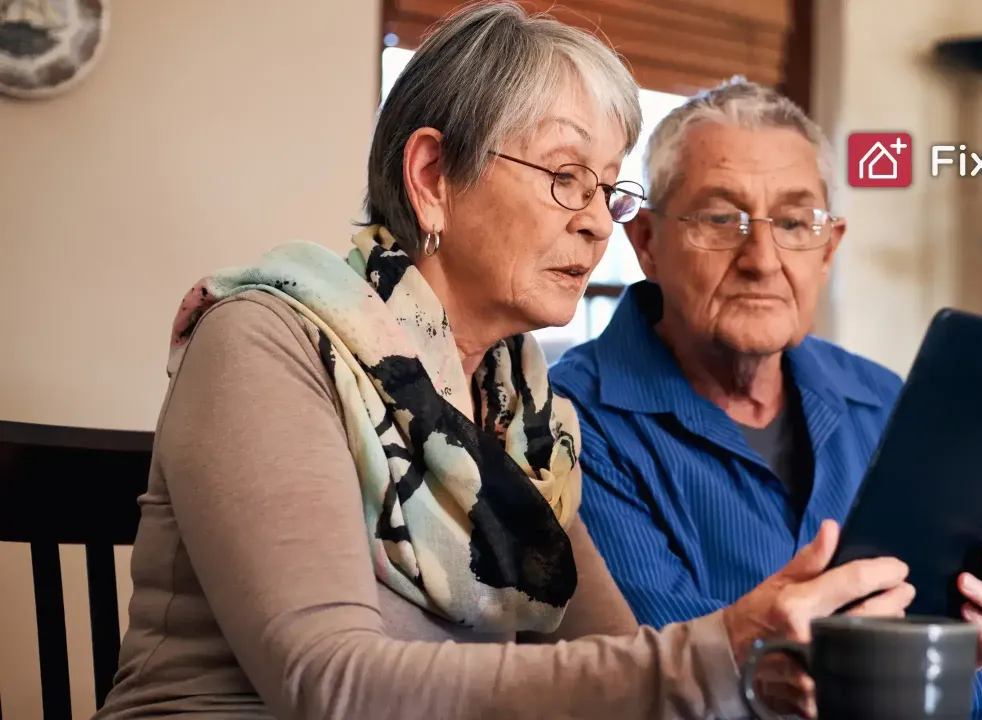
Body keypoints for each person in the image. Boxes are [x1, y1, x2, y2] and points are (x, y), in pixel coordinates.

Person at [90, 5, 926, 719]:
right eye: (566, 175)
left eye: (606, 188)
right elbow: (329, 685)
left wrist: (758, 672)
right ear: (432, 178)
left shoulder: (526, 417)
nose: (596, 223)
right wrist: (716, 651)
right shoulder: (268, 341)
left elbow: (621, 661)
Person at [550, 78, 982, 715]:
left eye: (794, 223)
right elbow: (677, 686)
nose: (762, 259)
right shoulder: (567, 421)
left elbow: (940, 621)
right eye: (722, 219)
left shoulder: (882, 399)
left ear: (828, 248)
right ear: (646, 242)